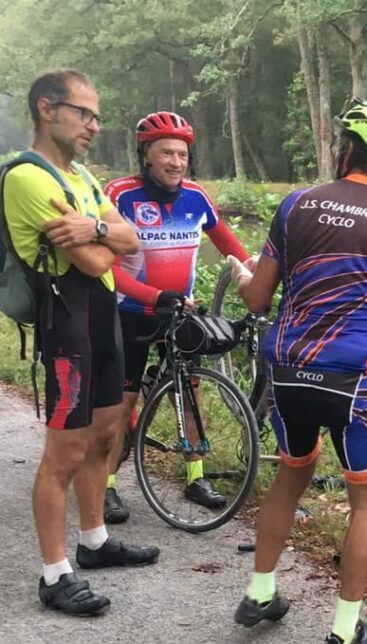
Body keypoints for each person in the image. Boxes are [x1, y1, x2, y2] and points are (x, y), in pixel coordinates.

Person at [231, 99, 367, 644]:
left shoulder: (295, 204)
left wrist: (240, 276)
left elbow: (258, 299)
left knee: (290, 477)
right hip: (354, 380)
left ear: (348, 146)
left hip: (286, 368)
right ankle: (345, 633)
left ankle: (259, 594)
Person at [2, 70, 159, 616]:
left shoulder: (83, 177)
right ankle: (54, 574)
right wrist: (104, 236)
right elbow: (97, 260)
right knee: (63, 452)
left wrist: (94, 230)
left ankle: (94, 543)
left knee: (105, 434)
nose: (94, 124)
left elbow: (131, 240)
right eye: (84, 113)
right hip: (65, 323)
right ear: (48, 109)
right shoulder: (28, 177)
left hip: (102, 318)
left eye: (96, 115)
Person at [102, 111, 251, 522]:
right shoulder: (120, 195)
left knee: (191, 392)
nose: (175, 162)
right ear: (146, 156)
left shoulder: (196, 197)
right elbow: (104, 266)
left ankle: (196, 476)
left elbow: (232, 248)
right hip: (129, 313)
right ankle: (107, 487)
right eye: (165, 152)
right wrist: (154, 295)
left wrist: (257, 278)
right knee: (122, 402)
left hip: (179, 312)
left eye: (182, 154)